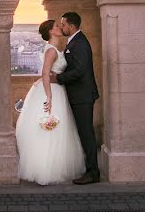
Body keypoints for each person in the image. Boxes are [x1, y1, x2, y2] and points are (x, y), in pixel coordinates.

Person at [15, 19, 85, 185]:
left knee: (55, 129)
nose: (59, 28)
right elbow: (45, 73)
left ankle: (53, 166)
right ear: (51, 32)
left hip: (56, 90)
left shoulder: (54, 49)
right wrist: (49, 96)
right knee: (51, 129)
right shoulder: (51, 51)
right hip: (52, 91)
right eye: (56, 26)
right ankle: (47, 169)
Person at [52, 11, 100, 184]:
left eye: (63, 24)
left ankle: (93, 173)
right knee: (83, 132)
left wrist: (58, 78)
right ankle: (89, 169)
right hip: (79, 94)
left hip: (83, 95)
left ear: (71, 26)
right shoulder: (75, 41)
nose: (61, 26)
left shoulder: (79, 43)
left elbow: (79, 71)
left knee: (86, 133)